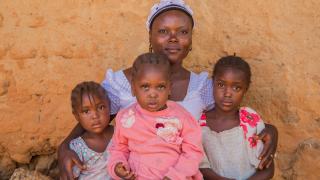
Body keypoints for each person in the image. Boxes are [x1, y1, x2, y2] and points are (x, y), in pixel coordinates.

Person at [58, 1, 278, 179]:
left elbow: (227, 116)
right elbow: (95, 118)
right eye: (163, 31)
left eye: (182, 32)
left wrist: (269, 129)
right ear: (150, 37)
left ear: (190, 40)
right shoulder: (124, 83)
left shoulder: (202, 87)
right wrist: (64, 147)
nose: (173, 38)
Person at [108, 53, 203, 180]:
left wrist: (175, 176)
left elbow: (193, 152)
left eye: (160, 87)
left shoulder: (182, 117)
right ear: (133, 88)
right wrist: (118, 166)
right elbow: (119, 149)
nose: (153, 94)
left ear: (169, 88)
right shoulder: (126, 118)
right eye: (145, 87)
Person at [200, 56, 274, 180]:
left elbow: (267, 167)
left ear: (246, 89)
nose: (227, 93)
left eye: (236, 88)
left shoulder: (249, 119)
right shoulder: (199, 125)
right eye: (221, 84)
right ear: (212, 83)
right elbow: (200, 166)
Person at [68, 81, 114, 179]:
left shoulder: (120, 133)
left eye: (101, 107)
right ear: (76, 116)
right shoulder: (77, 147)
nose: (95, 116)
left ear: (109, 106)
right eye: (86, 111)